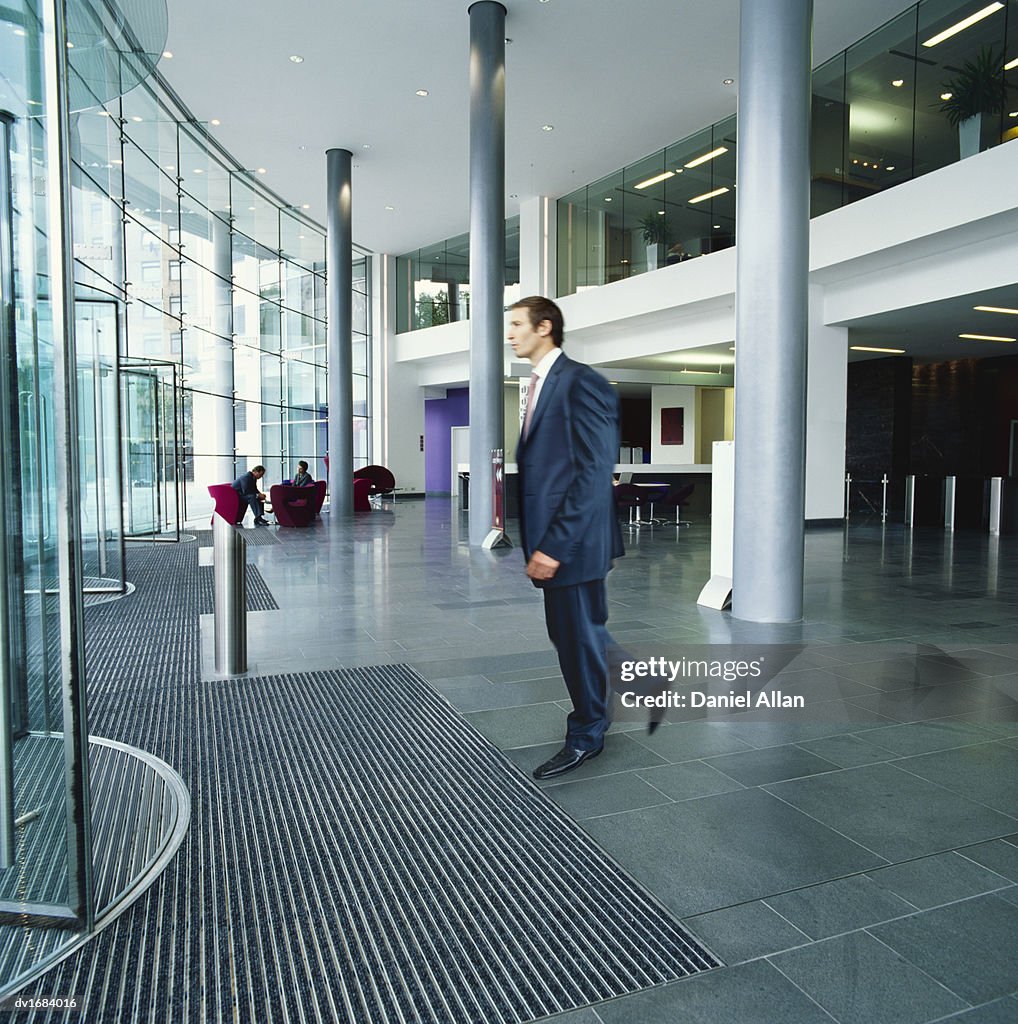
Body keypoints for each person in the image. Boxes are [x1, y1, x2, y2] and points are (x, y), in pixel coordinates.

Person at [510, 296, 625, 781]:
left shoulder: (581, 382)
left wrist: (553, 546)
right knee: (575, 636)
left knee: (577, 639)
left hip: (573, 545)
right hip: (560, 542)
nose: (511, 334)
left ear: (545, 326)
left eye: (518, 325)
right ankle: (600, 700)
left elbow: (594, 473)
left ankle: (587, 735)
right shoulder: (540, 385)